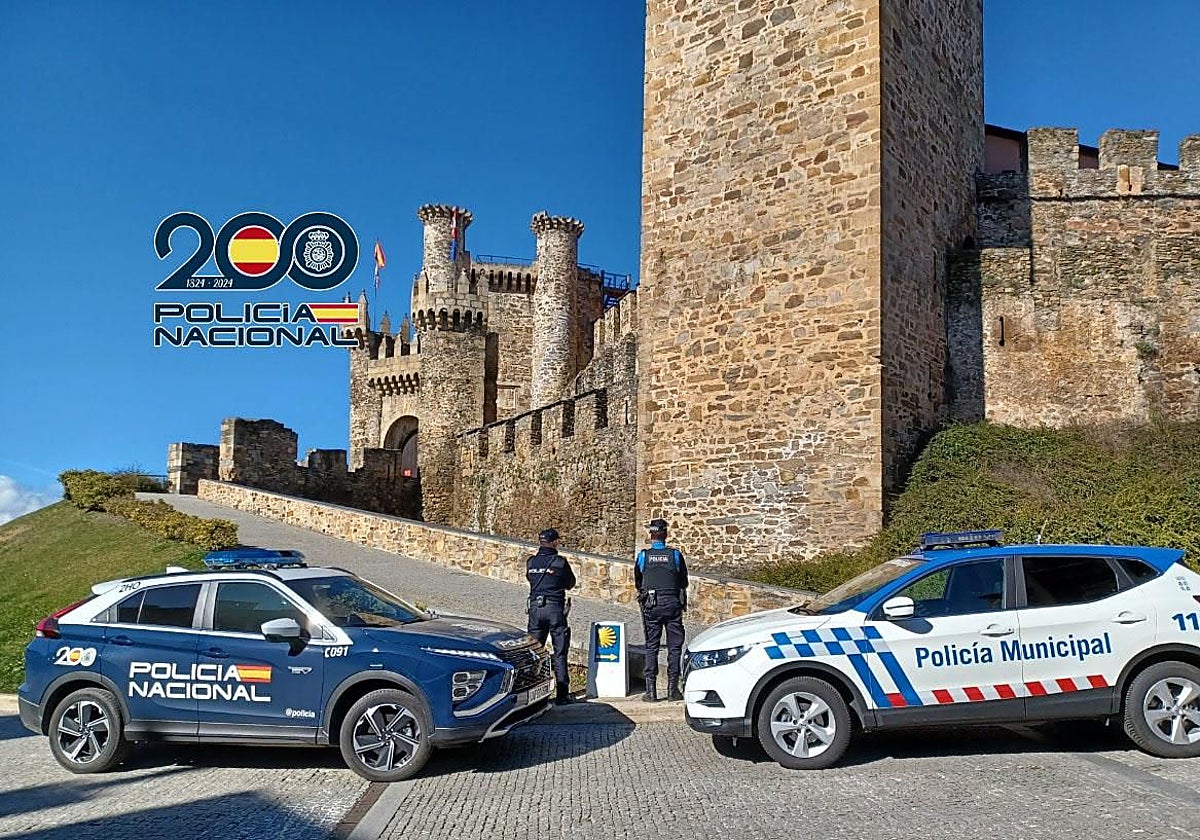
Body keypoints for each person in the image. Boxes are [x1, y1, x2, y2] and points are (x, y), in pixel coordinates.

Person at [635, 518, 688, 702]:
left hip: (652, 604)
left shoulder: (643, 556)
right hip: (672, 603)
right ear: (665, 534)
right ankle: (673, 690)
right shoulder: (675, 555)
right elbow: (683, 581)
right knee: (674, 647)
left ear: (651, 535)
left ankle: (651, 691)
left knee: (652, 646)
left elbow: (638, 581)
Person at [526, 528, 576, 705]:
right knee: (560, 652)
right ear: (554, 542)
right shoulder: (559, 562)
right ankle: (562, 695)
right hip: (555, 610)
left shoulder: (531, 562)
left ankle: (533, 696)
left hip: (535, 611)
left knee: (533, 653)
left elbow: (530, 579)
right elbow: (570, 583)